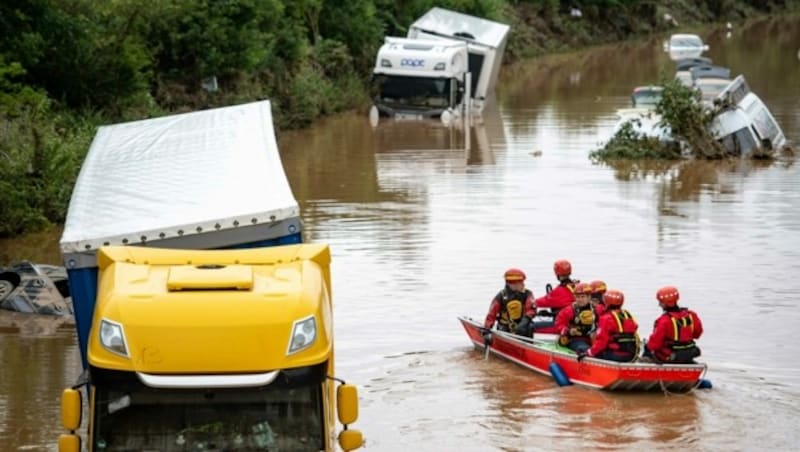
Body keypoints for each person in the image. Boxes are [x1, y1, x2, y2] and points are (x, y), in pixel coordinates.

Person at [642, 286, 704, 364]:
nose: (659, 305)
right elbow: (697, 334)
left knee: (647, 349)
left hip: (670, 356)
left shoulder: (663, 320)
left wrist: (647, 348)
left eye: (660, 302)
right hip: (689, 353)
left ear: (664, 304)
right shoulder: (691, 315)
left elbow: (655, 344)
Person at [578, 289, 639, 362]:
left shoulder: (606, 318)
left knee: (581, 348)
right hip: (630, 355)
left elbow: (601, 341)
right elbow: (635, 328)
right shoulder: (627, 315)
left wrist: (589, 352)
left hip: (614, 355)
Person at [483, 268, 536, 335]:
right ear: (512, 284)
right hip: (505, 328)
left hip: (523, 327)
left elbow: (531, 309)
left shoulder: (527, 294)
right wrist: (487, 329)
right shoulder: (501, 296)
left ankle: (527, 343)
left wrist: (525, 321)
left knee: (530, 327)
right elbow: (491, 315)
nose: (523, 284)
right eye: (521, 282)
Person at [532, 259, 577, 333]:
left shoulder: (559, 291)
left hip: (562, 325)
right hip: (573, 323)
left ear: (557, 273)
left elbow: (541, 302)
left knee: (530, 327)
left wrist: (529, 302)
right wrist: (549, 314)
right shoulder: (575, 286)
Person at [554, 282, 596, 353]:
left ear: (589, 297)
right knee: (583, 348)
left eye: (583, 297)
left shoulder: (597, 310)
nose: (580, 300)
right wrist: (569, 331)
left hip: (592, 338)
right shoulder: (568, 311)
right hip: (575, 339)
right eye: (578, 297)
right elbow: (558, 326)